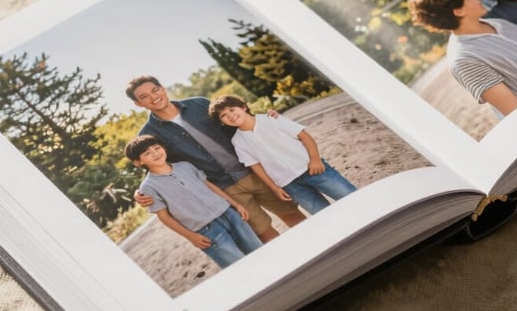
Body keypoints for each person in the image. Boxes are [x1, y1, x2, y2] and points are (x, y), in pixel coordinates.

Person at [126, 76, 306, 242]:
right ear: (138, 104)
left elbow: (237, 123)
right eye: (144, 97)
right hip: (223, 188)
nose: (153, 97)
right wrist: (140, 192)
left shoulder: (199, 104)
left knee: (292, 214)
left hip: (253, 171)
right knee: (263, 231)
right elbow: (157, 167)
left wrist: (267, 119)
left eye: (155, 90)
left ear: (163, 88)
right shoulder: (148, 134)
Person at [124, 135, 262, 269]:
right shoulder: (148, 187)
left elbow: (210, 186)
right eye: (147, 153)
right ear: (138, 162)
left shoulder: (185, 166)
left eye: (157, 148)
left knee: (259, 252)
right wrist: (190, 236)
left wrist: (236, 205)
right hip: (206, 231)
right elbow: (164, 217)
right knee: (237, 266)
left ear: (163, 148)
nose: (155, 153)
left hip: (229, 214)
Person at [208, 94, 357, 215]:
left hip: (313, 169)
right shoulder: (238, 141)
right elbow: (256, 166)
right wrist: (275, 188)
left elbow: (304, 136)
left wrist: (315, 160)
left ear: (243, 107)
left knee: (351, 197)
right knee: (323, 215)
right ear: (222, 123)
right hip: (290, 185)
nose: (230, 115)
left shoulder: (271, 119)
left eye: (232, 109)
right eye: (223, 115)